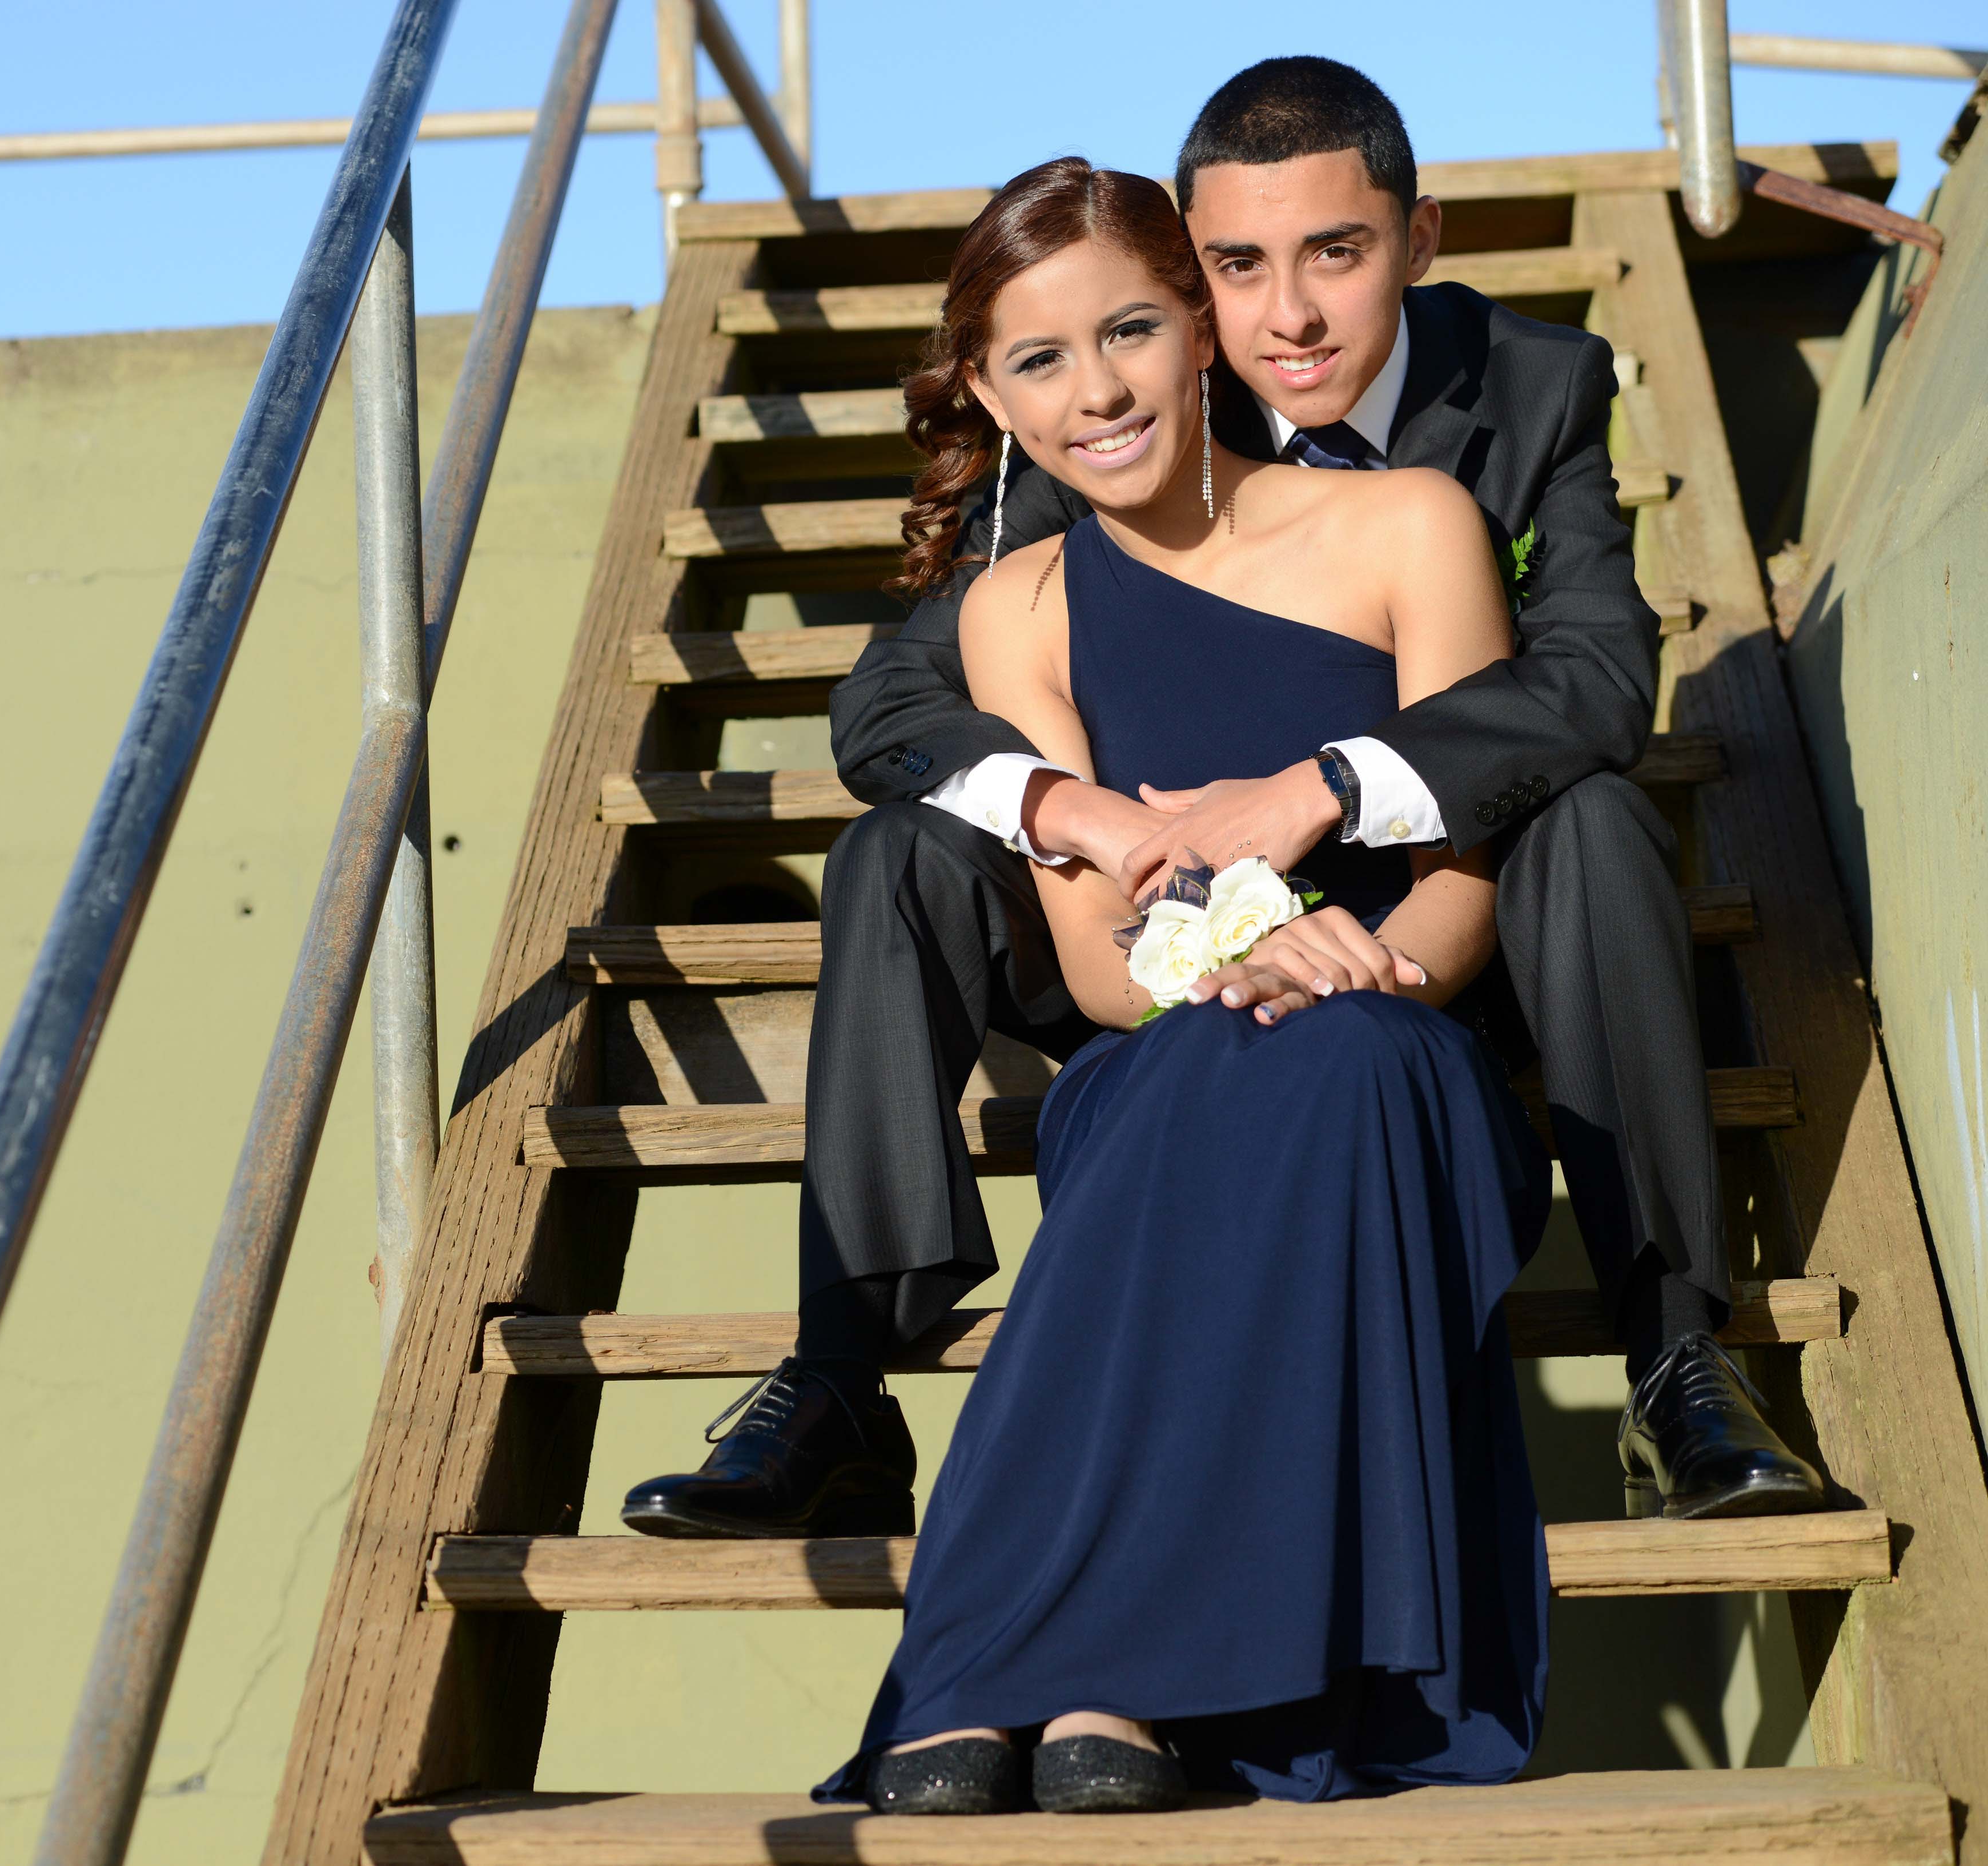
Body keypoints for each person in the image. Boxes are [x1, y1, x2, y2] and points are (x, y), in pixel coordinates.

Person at [621, 57, 1824, 1547]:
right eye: (1240, 266)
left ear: (1418, 239)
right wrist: (1089, 819)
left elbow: (1590, 678)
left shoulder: (1531, 389)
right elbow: (889, 703)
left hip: (1449, 923)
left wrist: (1324, 792)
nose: (1290, 317)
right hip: (1146, 932)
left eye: (1340, 251)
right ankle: (843, 1369)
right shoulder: (1133, 392)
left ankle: (1679, 1352)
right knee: (900, 850)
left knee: (1593, 813)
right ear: (1192, 277)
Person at [817, 153, 1548, 1816]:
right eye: (1041, 361)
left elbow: (1476, 857)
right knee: (1159, 1085)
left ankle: (1105, 1665)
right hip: (1170, 1043)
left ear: (1204, 327)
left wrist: (1361, 963)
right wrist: (1238, 958)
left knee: (1346, 1063)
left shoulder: (1408, 522)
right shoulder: (1015, 610)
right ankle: (1007, 1658)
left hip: (1406, 1039)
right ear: (992, 397)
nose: (1099, 391)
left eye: (1132, 330)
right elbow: (1093, 958)